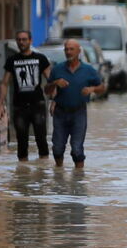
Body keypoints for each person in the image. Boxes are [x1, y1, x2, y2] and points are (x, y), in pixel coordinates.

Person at [46, 39, 107, 168]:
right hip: (60, 113)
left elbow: (102, 87)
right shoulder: (57, 69)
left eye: (71, 49)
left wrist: (92, 89)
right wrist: (55, 83)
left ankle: (78, 180)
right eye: (66, 49)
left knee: (77, 150)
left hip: (79, 113)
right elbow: (47, 90)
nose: (68, 52)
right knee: (57, 149)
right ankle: (59, 176)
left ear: (79, 51)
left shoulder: (88, 70)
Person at [0, 30, 51, 160]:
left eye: (24, 39)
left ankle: (43, 170)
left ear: (30, 41)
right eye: (19, 40)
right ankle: (23, 171)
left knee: (41, 138)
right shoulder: (12, 60)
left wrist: (56, 100)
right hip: (19, 106)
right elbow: (5, 84)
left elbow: (51, 80)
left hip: (37, 104)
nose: (21, 42)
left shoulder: (40, 59)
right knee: (21, 141)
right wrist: (0, 105)